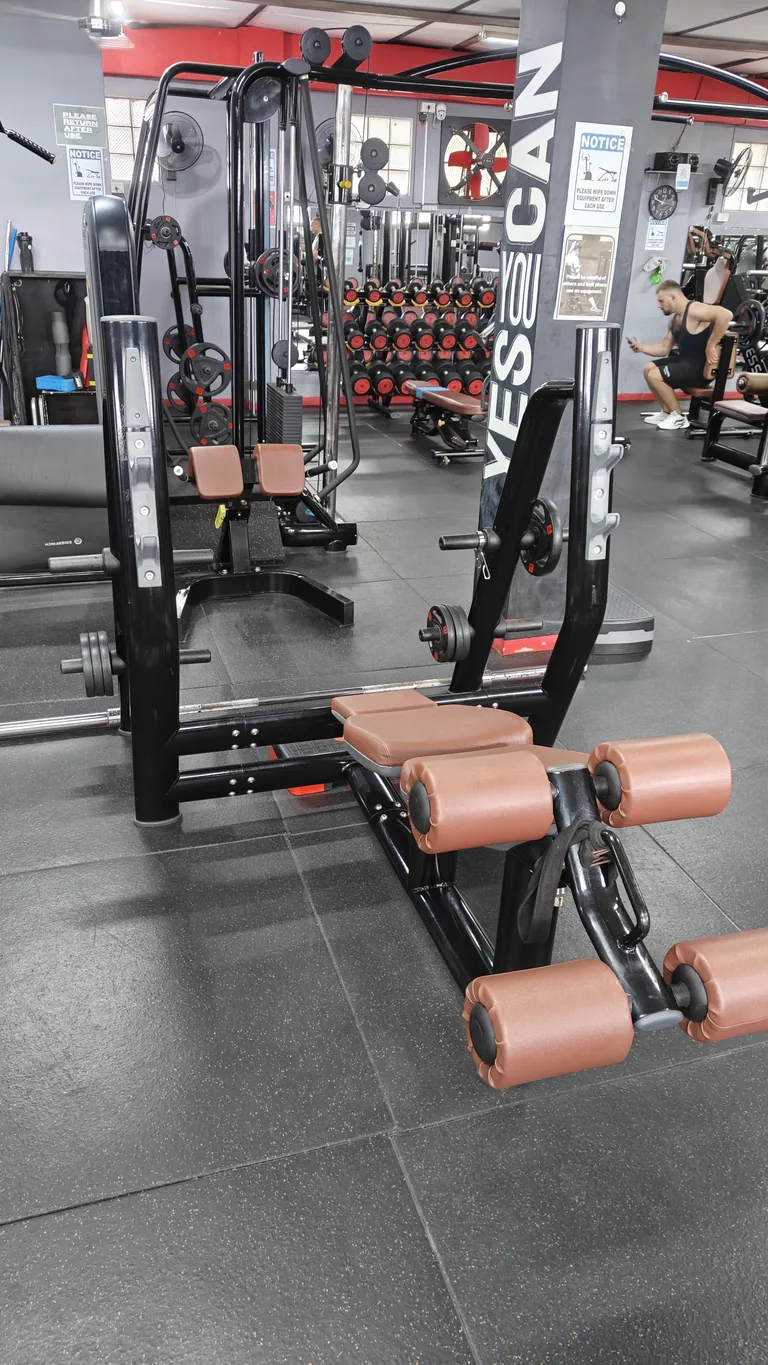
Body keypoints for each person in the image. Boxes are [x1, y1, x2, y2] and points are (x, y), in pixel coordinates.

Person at [628, 279, 733, 430]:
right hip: (684, 363)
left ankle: (678, 417)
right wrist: (641, 347)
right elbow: (664, 348)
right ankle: (667, 412)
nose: (659, 305)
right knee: (648, 369)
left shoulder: (695, 309)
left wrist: (711, 344)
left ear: (673, 297)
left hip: (698, 369)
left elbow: (726, 315)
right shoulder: (676, 319)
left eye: (661, 301)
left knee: (655, 375)